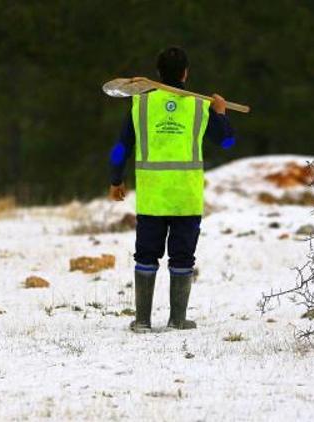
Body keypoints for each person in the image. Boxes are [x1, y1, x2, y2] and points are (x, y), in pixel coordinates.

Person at [107, 46, 235, 332]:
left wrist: (116, 179)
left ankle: (142, 321)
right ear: (186, 73)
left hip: (152, 198)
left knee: (146, 255)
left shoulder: (141, 105)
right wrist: (221, 113)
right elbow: (227, 143)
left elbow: (120, 148)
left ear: (157, 74)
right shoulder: (199, 106)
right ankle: (178, 320)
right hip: (185, 199)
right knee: (182, 257)